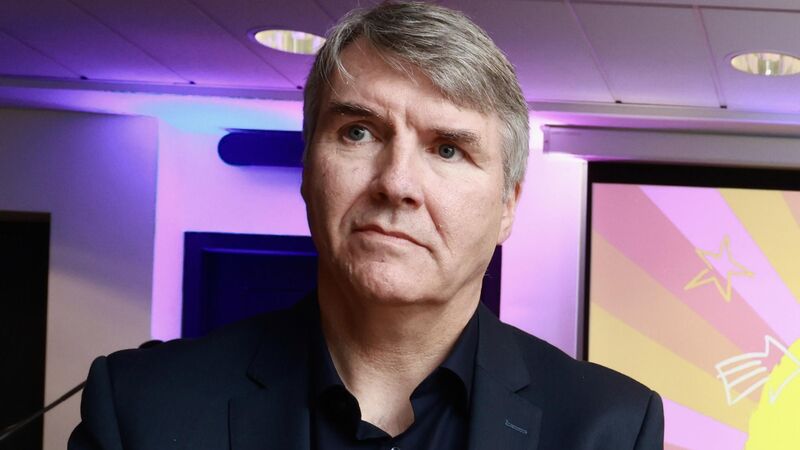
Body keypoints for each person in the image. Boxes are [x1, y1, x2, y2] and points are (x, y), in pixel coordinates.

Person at [69, 2, 664, 449]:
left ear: (509, 205)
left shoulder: (608, 427)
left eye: (448, 148)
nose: (395, 182)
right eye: (359, 132)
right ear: (308, 168)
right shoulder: (141, 409)